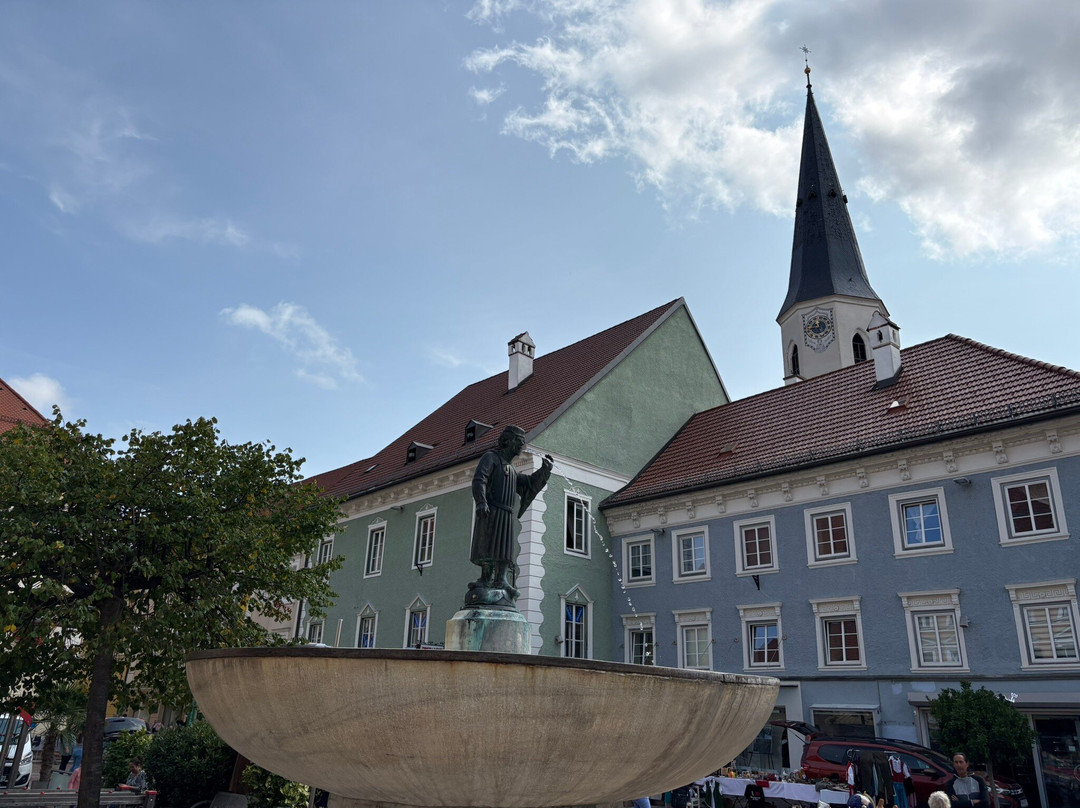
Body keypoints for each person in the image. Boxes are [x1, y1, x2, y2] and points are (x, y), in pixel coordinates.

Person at [467, 425, 553, 606]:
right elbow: (479, 479)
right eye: (519, 442)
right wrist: (481, 501)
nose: (522, 446)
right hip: (491, 511)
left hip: (506, 515)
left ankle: (501, 580)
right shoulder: (491, 458)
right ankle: (486, 579)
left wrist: (544, 471)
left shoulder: (512, 470)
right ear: (507, 441)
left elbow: (529, 484)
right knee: (488, 547)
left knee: (505, 550)